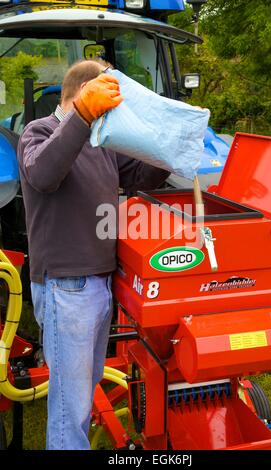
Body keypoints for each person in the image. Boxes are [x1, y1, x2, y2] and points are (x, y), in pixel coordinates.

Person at [17, 59, 170, 450]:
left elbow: (136, 177)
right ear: (86, 94)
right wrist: (83, 116)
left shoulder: (100, 141)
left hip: (100, 281)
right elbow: (43, 174)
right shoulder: (40, 132)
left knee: (83, 391)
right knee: (72, 408)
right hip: (67, 286)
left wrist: (162, 151)